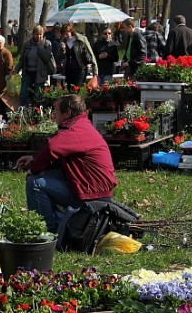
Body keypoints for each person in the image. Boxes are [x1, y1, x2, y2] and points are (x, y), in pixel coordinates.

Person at [15, 94, 117, 234]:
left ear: (68, 112)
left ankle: (46, 231)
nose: (54, 116)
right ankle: (57, 222)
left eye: (56, 112)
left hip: (91, 195)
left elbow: (52, 148)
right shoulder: (82, 125)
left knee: (35, 182)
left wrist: (33, 169)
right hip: (91, 188)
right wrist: (34, 159)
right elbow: (57, 151)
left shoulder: (74, 130)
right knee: (45, 175)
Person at [11, 25, 56, 106]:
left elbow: (46, 58)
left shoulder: (47, 43)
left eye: (40, 34)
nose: (38, 36)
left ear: (43, 34)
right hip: (28, 72)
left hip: (40, 73)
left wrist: (40, 46)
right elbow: (22, 59)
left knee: (38, 95)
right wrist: (16, 69)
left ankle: (36, 112)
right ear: (33, 34)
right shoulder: (27, 44)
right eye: (36, 34)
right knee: (23, 94)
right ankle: (24, 110)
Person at [58, 23, 98, 89]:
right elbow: (59, 57)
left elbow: (91, 54)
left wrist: (95, 72)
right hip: (68, 71)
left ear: (71, 31)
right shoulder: (63, 42)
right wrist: (62, 50)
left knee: (77, 90)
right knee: (70, 91)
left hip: (80, 70)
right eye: (63, 33)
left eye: (67, 32)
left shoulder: (81, 39)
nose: (65, 35)